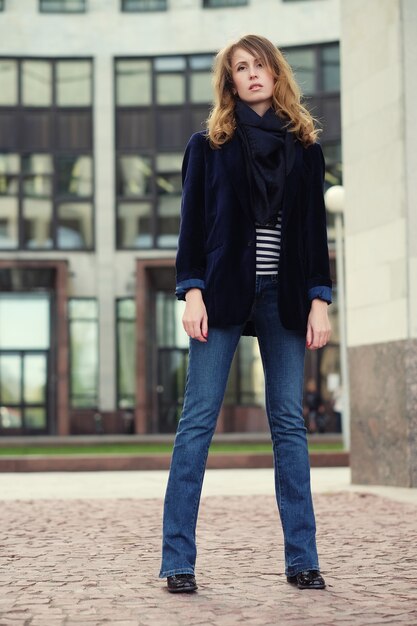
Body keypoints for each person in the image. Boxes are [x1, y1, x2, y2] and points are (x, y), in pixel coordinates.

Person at [159, 34, 332, 593]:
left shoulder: (304, 148)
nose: (252, 74)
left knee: (289, 424)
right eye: (241, 68)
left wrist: (319, 300)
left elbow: (312, 234)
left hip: (283, 296)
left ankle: (302, 558)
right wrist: (191, 292)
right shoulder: (208, 145)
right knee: (197, 424)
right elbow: (191, 228)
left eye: (260, 65)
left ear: (276, 74)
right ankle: (178, 562)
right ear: (229, 81)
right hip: (223, 293)